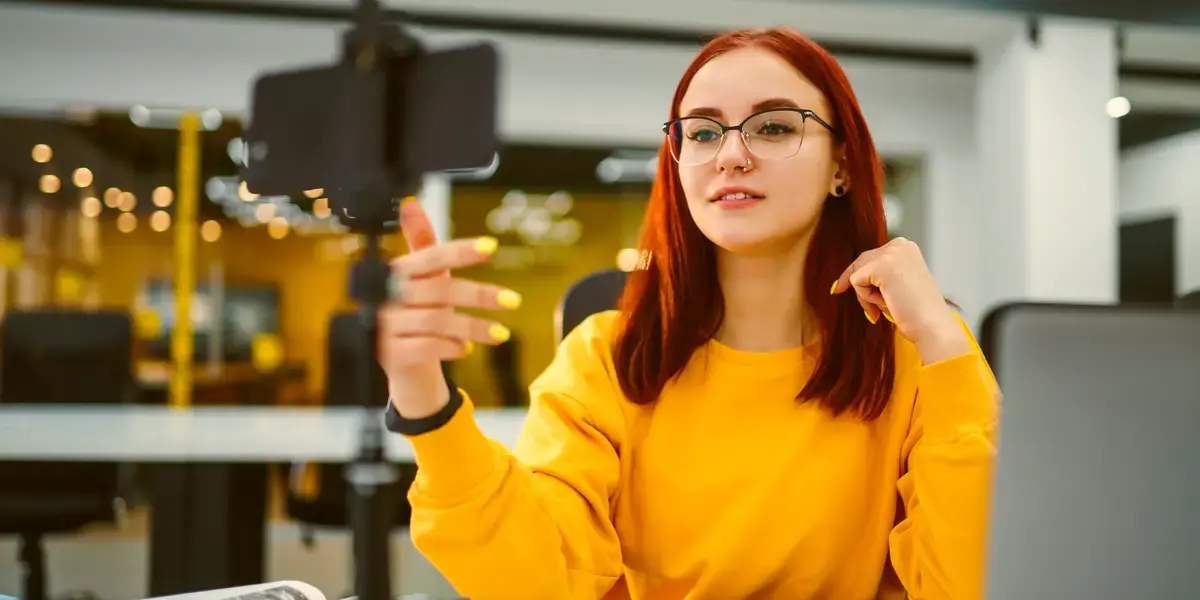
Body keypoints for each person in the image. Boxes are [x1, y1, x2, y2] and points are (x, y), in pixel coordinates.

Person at [378, 26, 1000, 600]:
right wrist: (423, 398)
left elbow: (975, 582)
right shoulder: (607, 355)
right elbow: (533, 578)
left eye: (773, 127)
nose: (730, 154)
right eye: (701, 132)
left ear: (841, 165)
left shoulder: (915, 354)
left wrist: (941, 338)